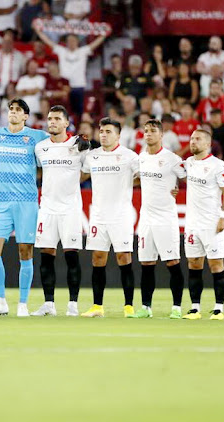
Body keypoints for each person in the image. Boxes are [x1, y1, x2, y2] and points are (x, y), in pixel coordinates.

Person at [0, 99, 50, 317]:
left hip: (27, 202)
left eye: (18, 110)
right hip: (2, 202)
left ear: (26, 116)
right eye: (11, 109)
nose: (13, 113)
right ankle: (0, 301)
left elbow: (57, 144)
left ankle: (23, 304)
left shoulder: (37, 136)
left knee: (25, 252)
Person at [80, 117, 139, 318]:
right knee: (98, 258)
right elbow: (80, 176)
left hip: (121, 215)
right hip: (97, 215)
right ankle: (97, 306)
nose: (103, 135)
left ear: (118, 135)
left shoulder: (129, 156)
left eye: (108, 132)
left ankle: (129, 306)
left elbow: (143, 176)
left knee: (124, 257)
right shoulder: (92, 156)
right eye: (102, 131)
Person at [31, 105, 85, 317]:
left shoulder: (78, 145)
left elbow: (90, 168)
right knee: (46, 256)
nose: (52, 122)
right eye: (50, 118)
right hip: (47, 209)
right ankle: (49, 304)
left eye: (56, 119)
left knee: (71, 257)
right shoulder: (41, 147)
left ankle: (73, 305)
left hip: (70, 209)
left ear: (66, 123)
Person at [135, 119, 187, 319]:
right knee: (147, 263)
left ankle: (176, 307)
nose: (148, 134)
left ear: (161, 135)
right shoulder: (141, 158)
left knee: (172, 262)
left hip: (166, 217)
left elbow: (187, 177)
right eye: (146, 131)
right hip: (146, 218)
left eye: (153, 131)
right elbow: (137, 179)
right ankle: (146, 307)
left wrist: (177, 189)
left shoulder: (172, 159)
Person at [182, 129, 224, 320]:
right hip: (192, 224)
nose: (193, 141)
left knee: (216, 264)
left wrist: (223, 216)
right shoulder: (189, 163)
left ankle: (219, 308)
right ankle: (195, 308)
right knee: (194, 264)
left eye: (198, 139)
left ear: (208, 143)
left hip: (211, 223)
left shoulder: (217, 165)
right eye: (192, 138)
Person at [34, 24, 107, 117]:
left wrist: (104, 35)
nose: (71, 42)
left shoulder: (82, 51)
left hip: (79, 86)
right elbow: (48, 42)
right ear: (66, 42)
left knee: (79, 112)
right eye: (69, 41)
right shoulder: (62, 51)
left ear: (77, 41)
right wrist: (38, 31)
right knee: (65, 112)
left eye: (73, 40)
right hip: (64, 87)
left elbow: (95, 44)